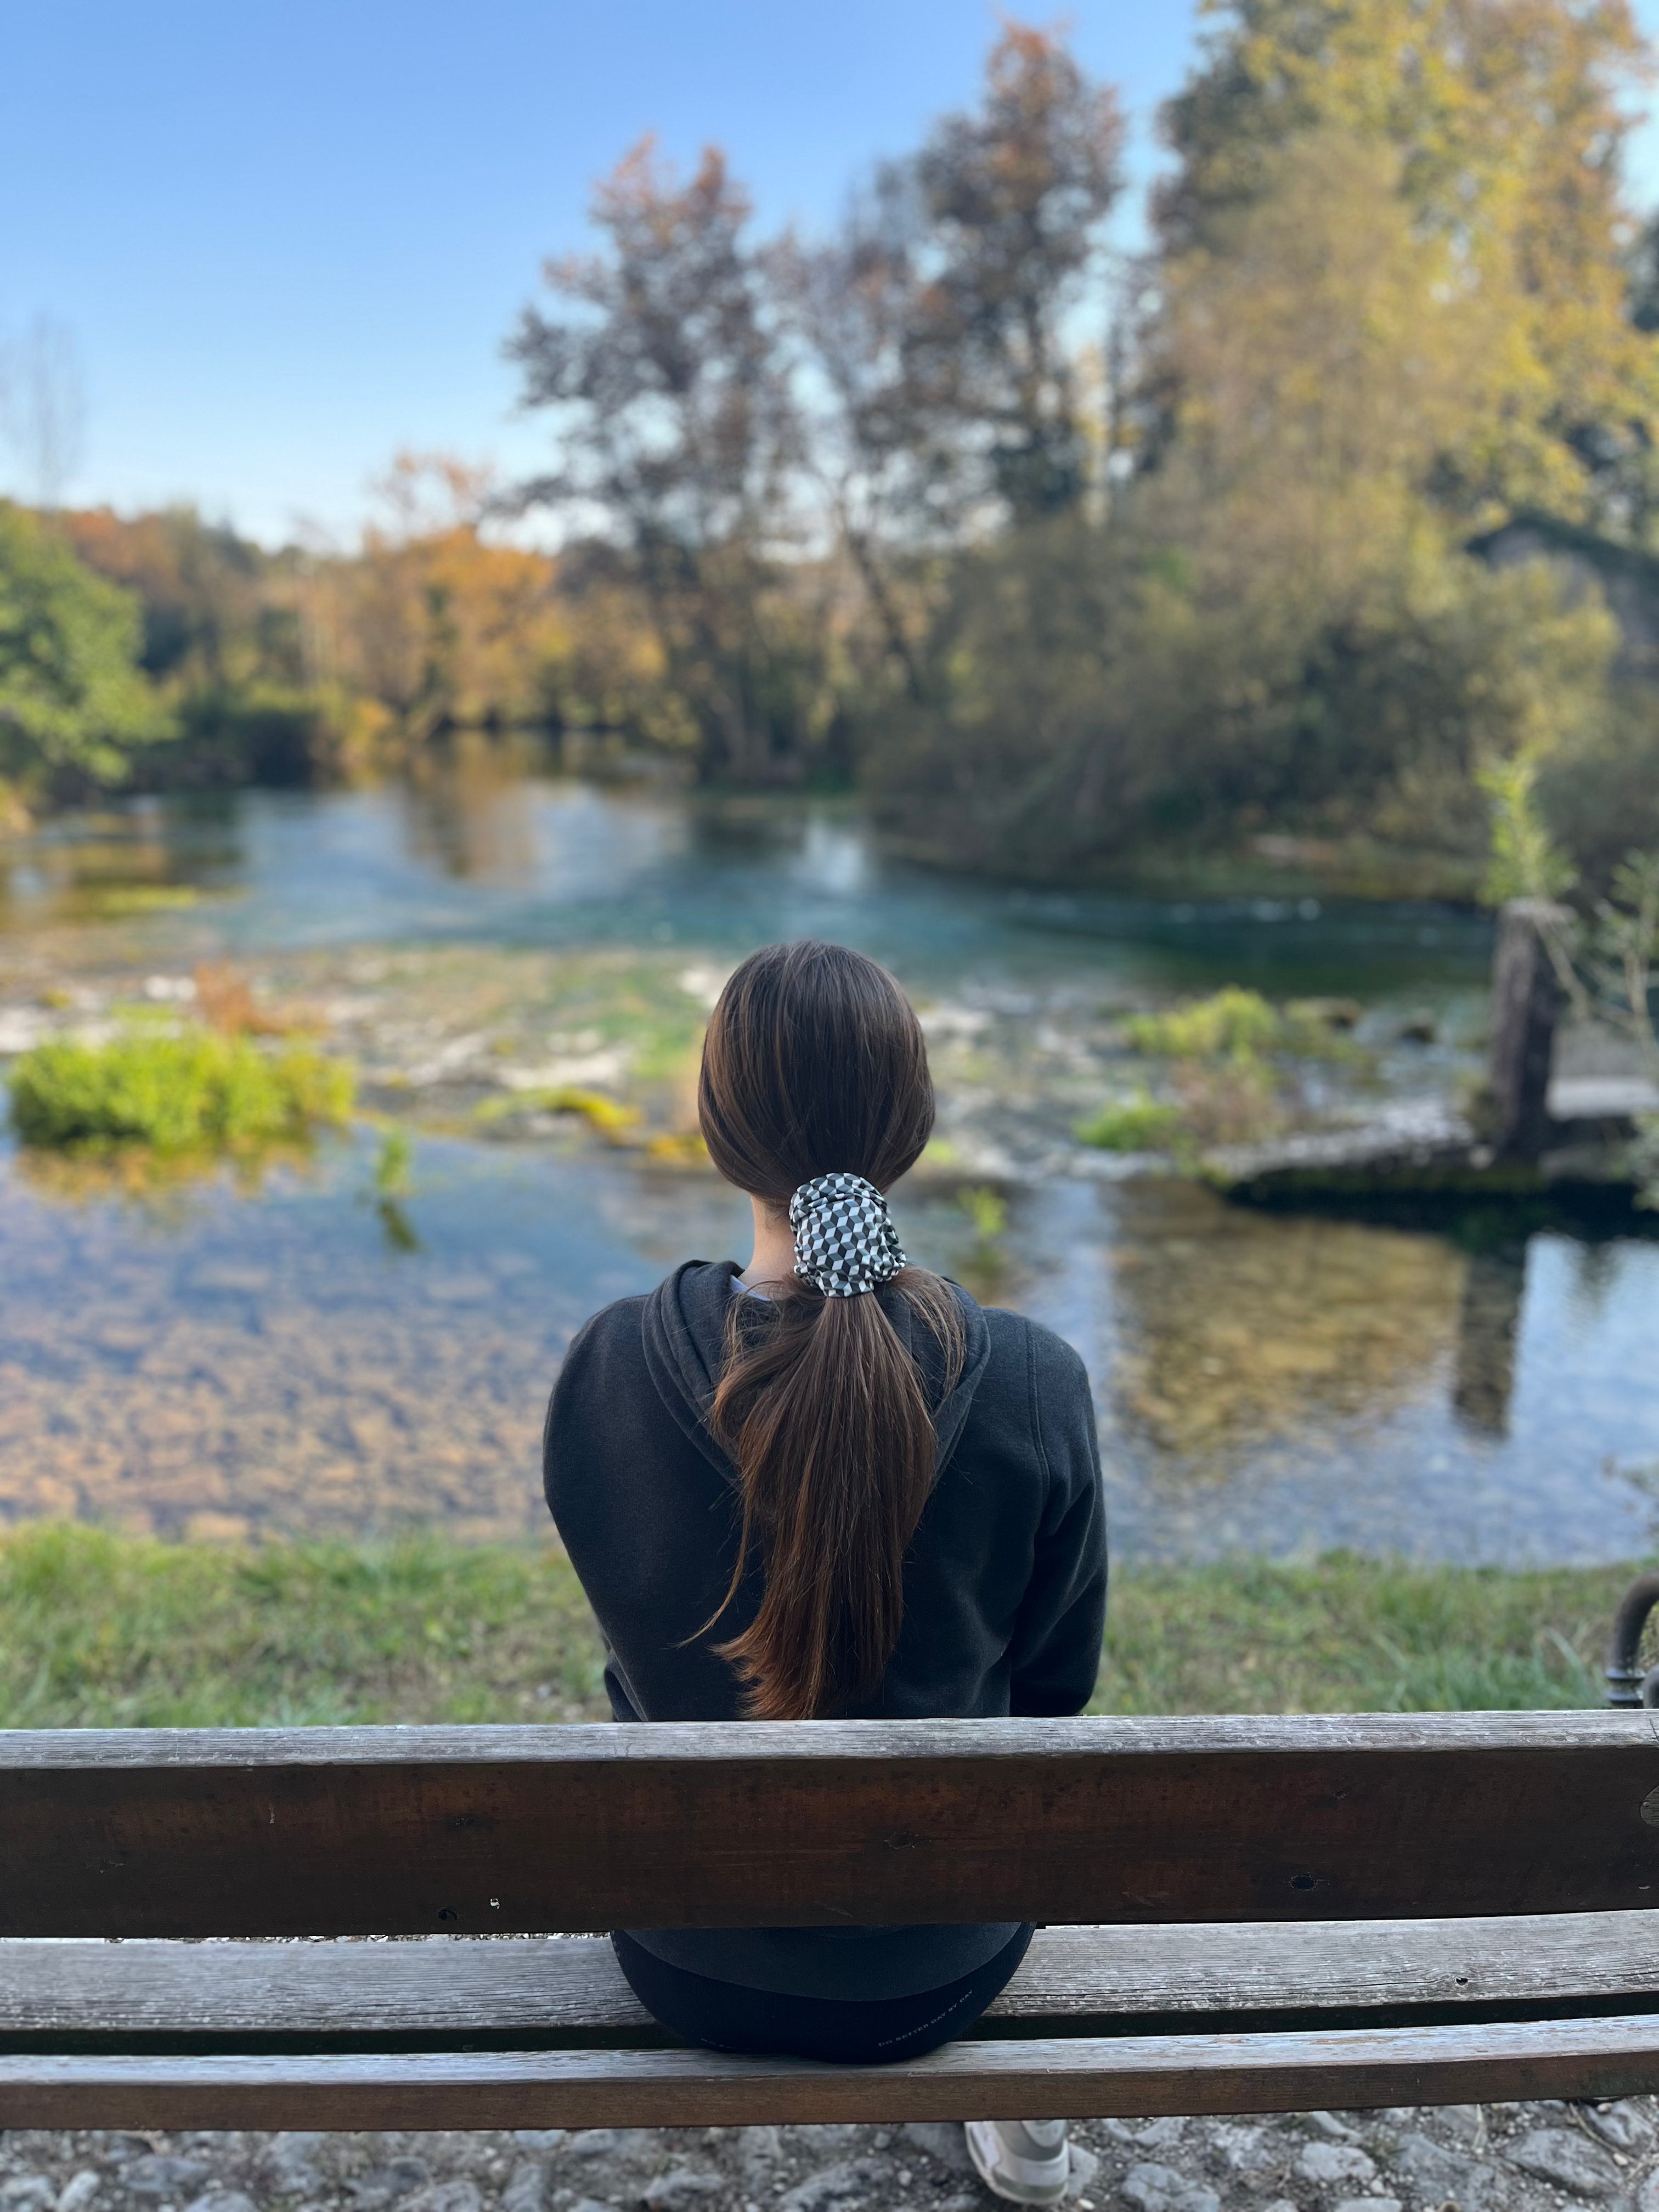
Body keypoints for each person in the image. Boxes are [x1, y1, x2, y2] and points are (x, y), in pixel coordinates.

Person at [544, 939, 1107, 2208]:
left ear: (713, 1128)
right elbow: (1058, 1692)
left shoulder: (606, 1367)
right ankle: (1018, 2129)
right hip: (941, 1970)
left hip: (684, 1961)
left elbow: (633, 1641)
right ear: (911, 1127)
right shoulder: (1030, 1382)